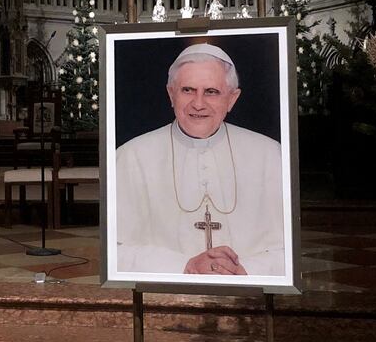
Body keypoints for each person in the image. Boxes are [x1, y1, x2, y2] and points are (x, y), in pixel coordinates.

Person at [115, 43, 284, 276]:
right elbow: (115, 252)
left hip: (247, 298)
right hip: (164, 298)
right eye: (188, 90)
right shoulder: (131, 157)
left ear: (232, 99)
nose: (198, 103)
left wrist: (243, 270)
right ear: (171, 94)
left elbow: (288, 250)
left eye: (211, 92)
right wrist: (185, 266)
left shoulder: (270, 155)